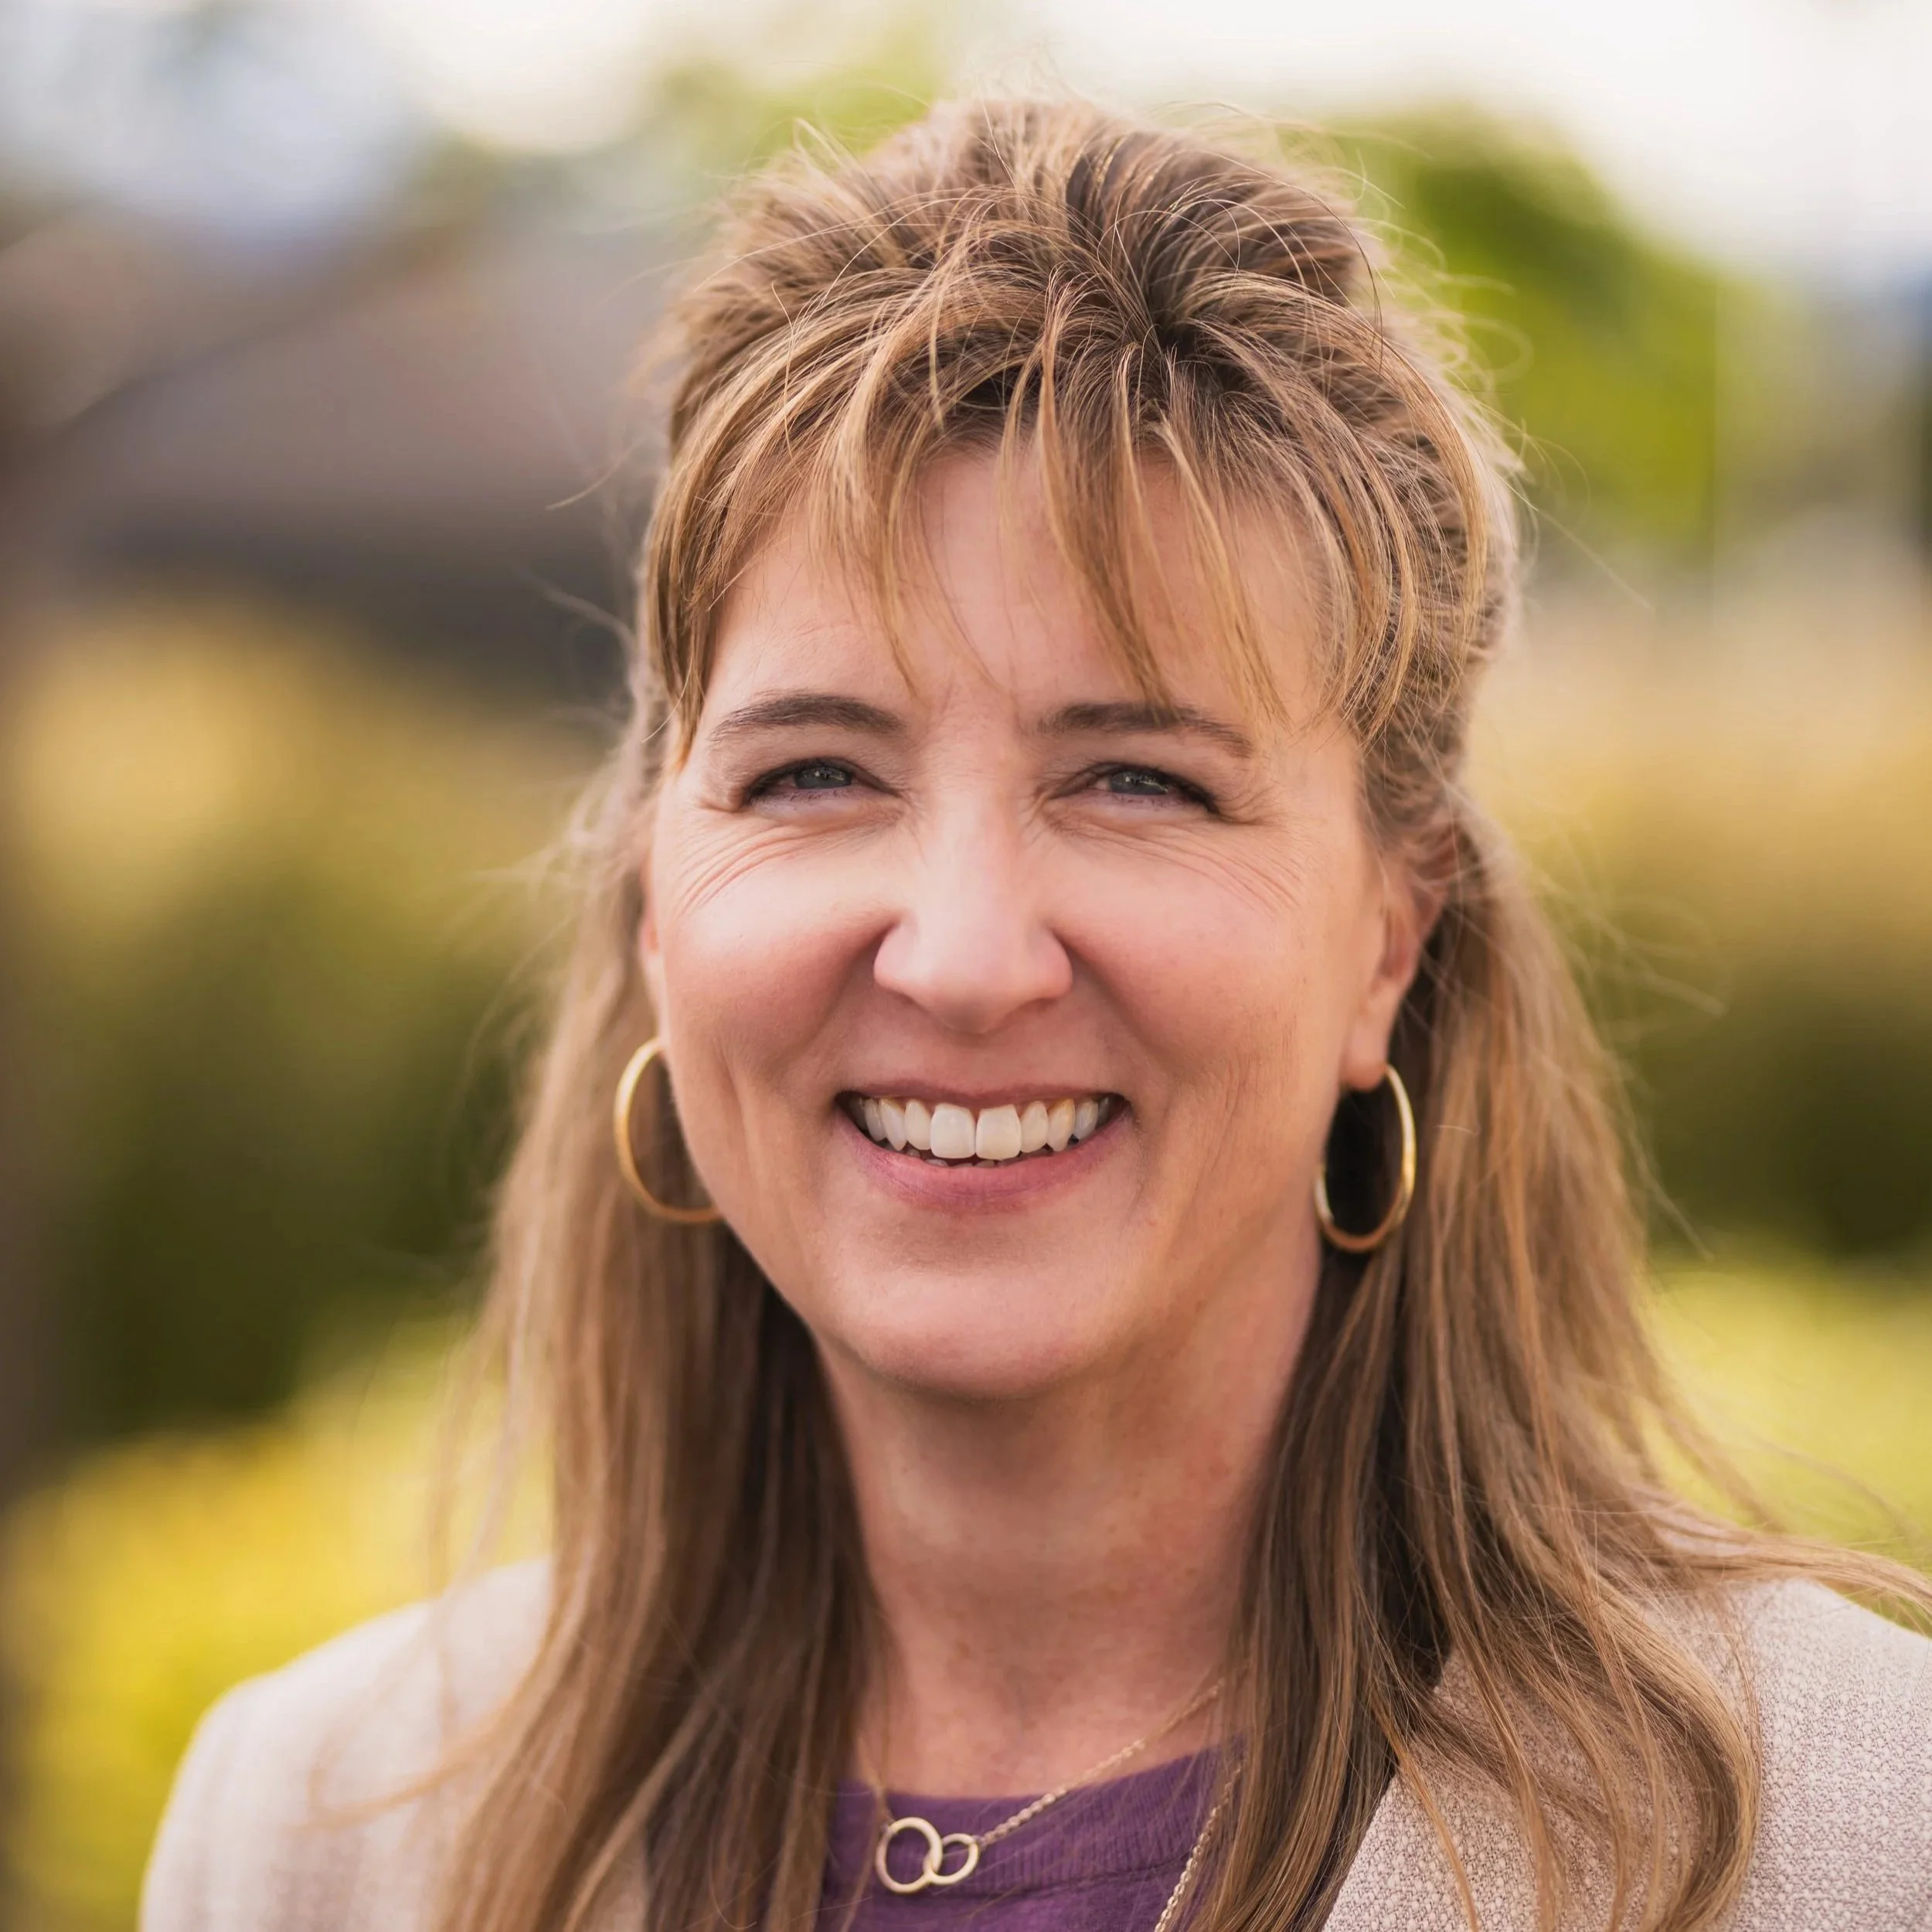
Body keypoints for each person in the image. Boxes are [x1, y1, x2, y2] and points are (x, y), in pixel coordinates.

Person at [142, 97, 1930, 1932]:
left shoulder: (1850, 1837)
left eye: (1137, 781)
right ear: (657, 911)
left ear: (1390, 937)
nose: (965, 954)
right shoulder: (317, 1836)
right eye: (816, 771)